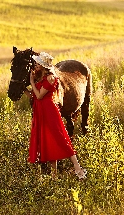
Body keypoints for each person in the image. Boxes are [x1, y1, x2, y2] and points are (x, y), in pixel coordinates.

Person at [24, 52, 87, 180]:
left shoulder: (50, 78)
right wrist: (23, 89)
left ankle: (77, 167)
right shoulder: (42, 77)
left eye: (37, 64)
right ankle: (54, 174)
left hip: (50, 110)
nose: (35, 65)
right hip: (42, 110)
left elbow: (40, 95)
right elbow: (34, 95)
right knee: (49, 140)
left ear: (43, 66)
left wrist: (31, 81)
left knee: (60, 137)